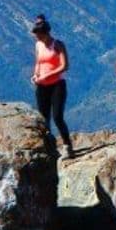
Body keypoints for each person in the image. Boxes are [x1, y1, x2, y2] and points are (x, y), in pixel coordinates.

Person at [30, 15, 74, 159]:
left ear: (44, 33)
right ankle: (49, 149)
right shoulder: (38, 45)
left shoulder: (58, 45)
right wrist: (36, 75)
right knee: (44, 119)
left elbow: (64, 65)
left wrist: (48, 75)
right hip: (42, 86)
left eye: (37, 34)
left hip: (57, 85)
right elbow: (39, 62)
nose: (36, 37)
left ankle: (67, 146)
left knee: (57, 117)